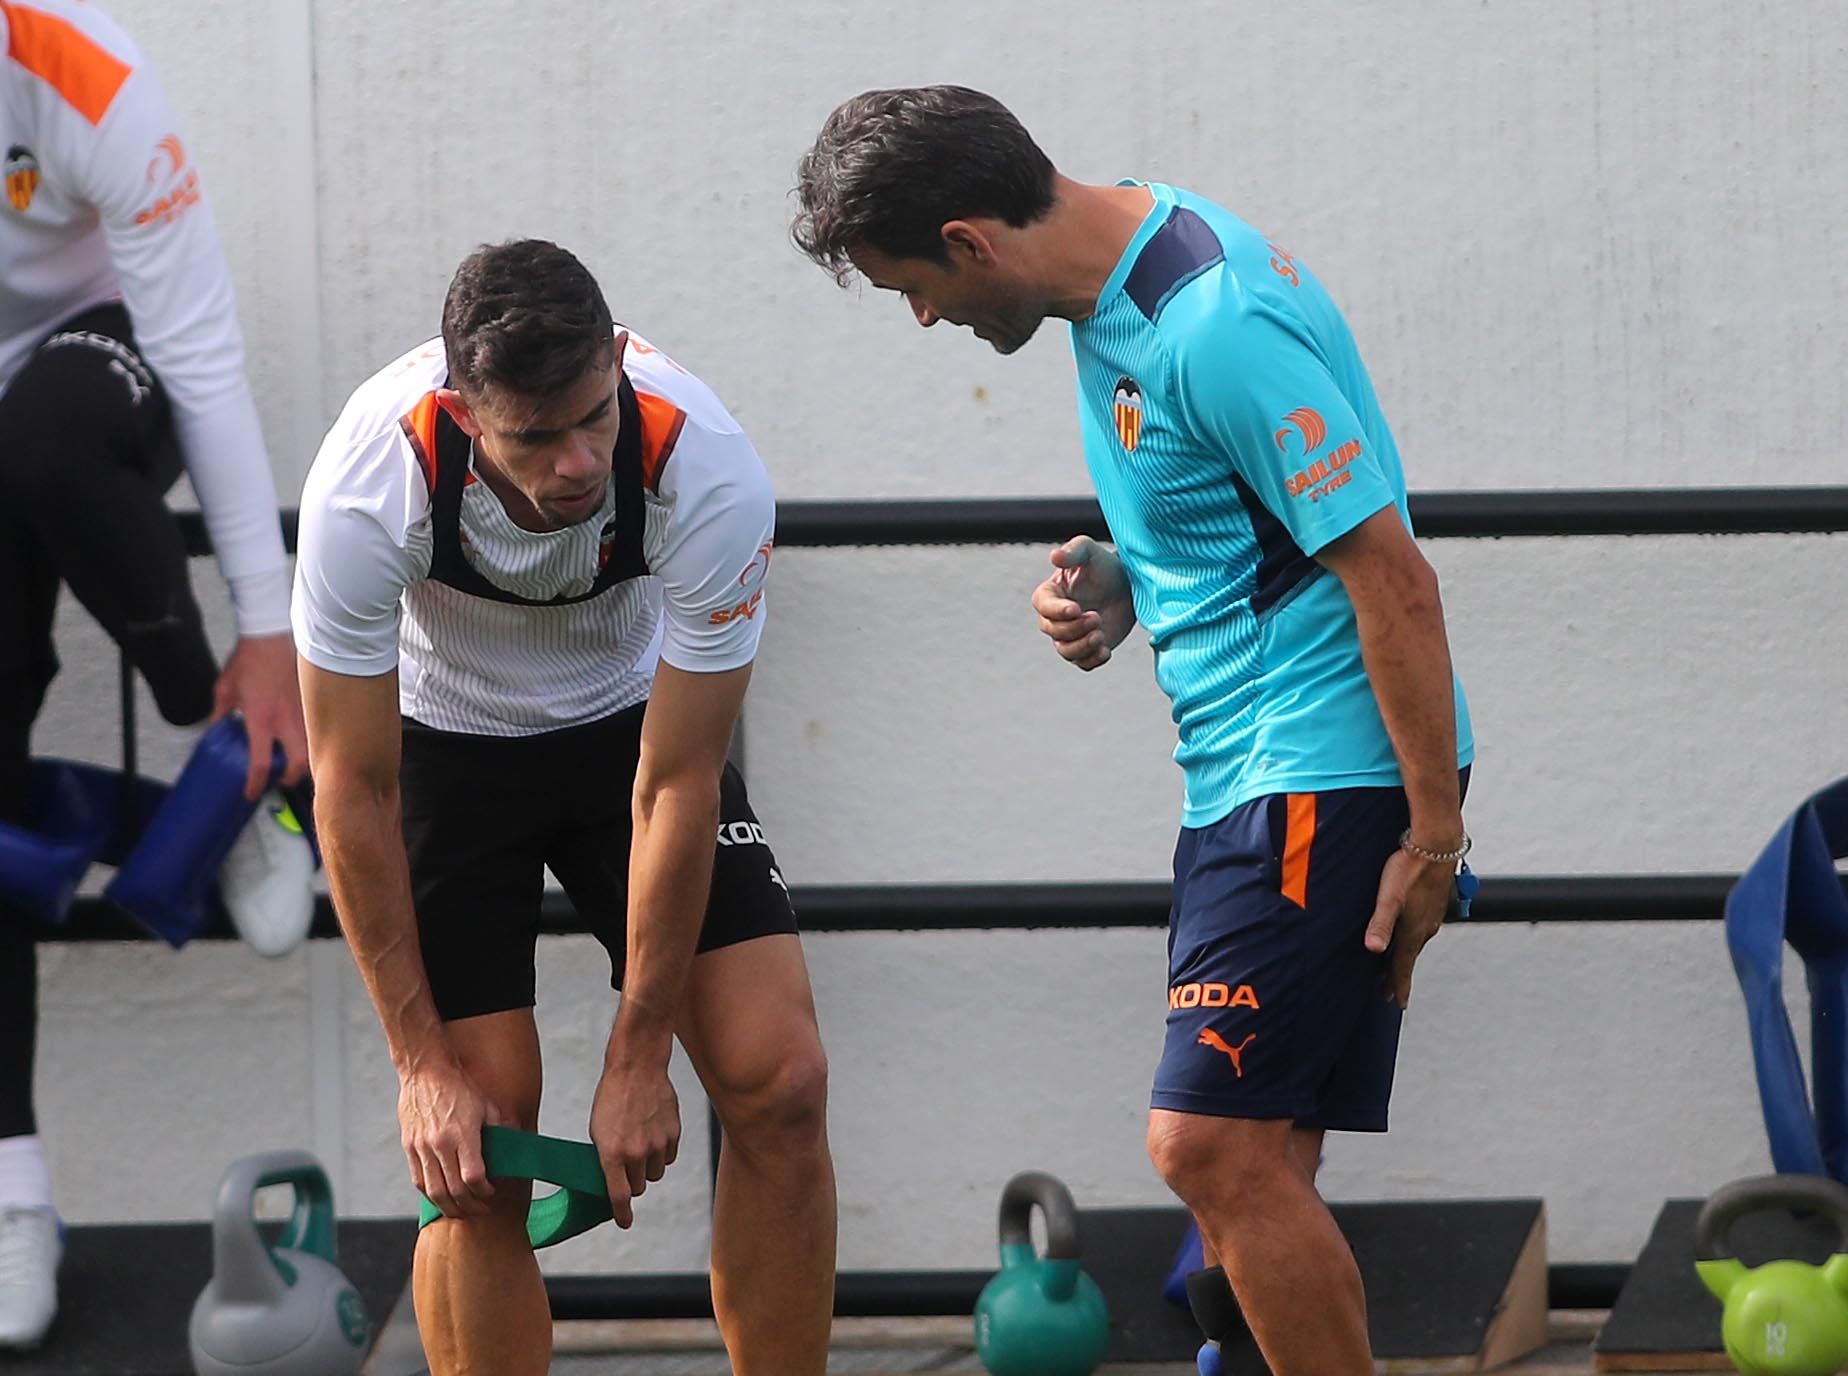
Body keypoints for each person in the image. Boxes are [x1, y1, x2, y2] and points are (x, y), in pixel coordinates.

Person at [791, 86, 1474, 1376]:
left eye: (912, 290)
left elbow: (1394, 578)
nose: (924, 318)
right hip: (1247, 775)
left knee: (1204, 1145)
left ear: (970, 240)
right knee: (1260, 1159)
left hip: (1319, 771)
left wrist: (1434, 835)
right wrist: (1126, 582)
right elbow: (1250, 518)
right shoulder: (1111, 285)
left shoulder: (1212, 323)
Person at [292, 239, 835, 1376]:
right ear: (461, 410)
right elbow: (353, 782)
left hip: (634, 740)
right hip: (445, 750)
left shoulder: (707, 464)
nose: (580, 459)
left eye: (596, 415)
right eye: (535, 437)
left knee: (779, 1079)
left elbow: (678, 777)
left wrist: (639, 1054)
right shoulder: (368, 479)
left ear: (618, 360)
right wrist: (418, 1067)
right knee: (479, 1147)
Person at [0, 0, 312, 1349]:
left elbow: (198, 352)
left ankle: (231, 767)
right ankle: (11, 1198)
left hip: (98, 364)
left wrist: (265, 630)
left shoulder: (78, 73)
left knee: (52, 439)